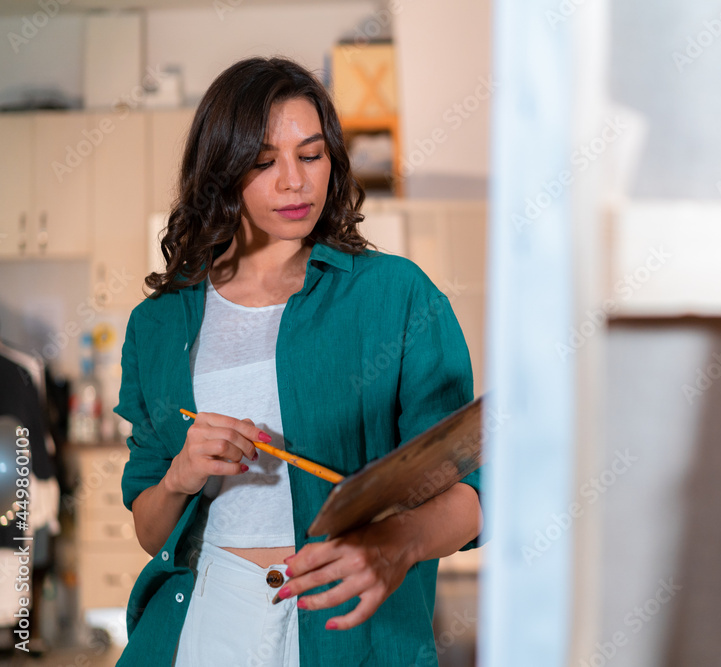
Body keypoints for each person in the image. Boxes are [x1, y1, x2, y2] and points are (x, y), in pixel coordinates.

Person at [113, 56, 483, 666]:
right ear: (221, 171)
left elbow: (473, 485)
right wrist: (182, 474)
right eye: (263, 162)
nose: (294, 182)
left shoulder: (396, 295)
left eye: (310, 156)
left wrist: (396, 543)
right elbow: (152, 532)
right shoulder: (157, 324)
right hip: (206, 621)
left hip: (342, 623)